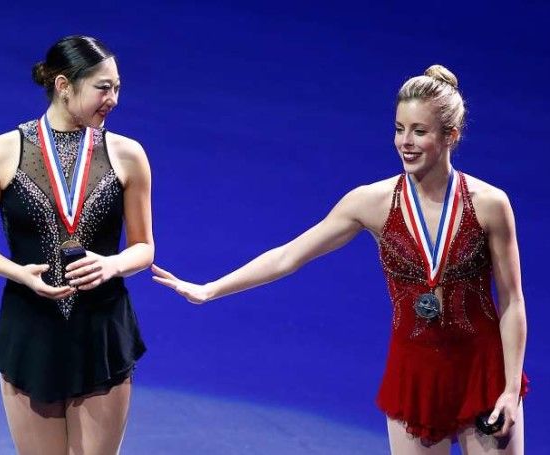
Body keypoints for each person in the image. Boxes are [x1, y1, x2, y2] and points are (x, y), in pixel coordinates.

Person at [152, 65, 528, 454]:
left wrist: (511, 389)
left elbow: (512, 301)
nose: (406, 142)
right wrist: (210, 289)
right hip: (413, 372)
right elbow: (289, 256)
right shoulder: (371, 203)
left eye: (420, 131)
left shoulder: (490, 205)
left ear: (450, 135)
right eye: (399, 129)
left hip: (483, 371)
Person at [0, 35, 153, 454]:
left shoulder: (128, 154)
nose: (114, 98)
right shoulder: (0, 152)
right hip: (31, 327)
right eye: (103, 87)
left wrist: (113, 265)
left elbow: (144, 248)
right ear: (64, 85)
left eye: (117, 86)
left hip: (101, 329)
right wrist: (16, 272)